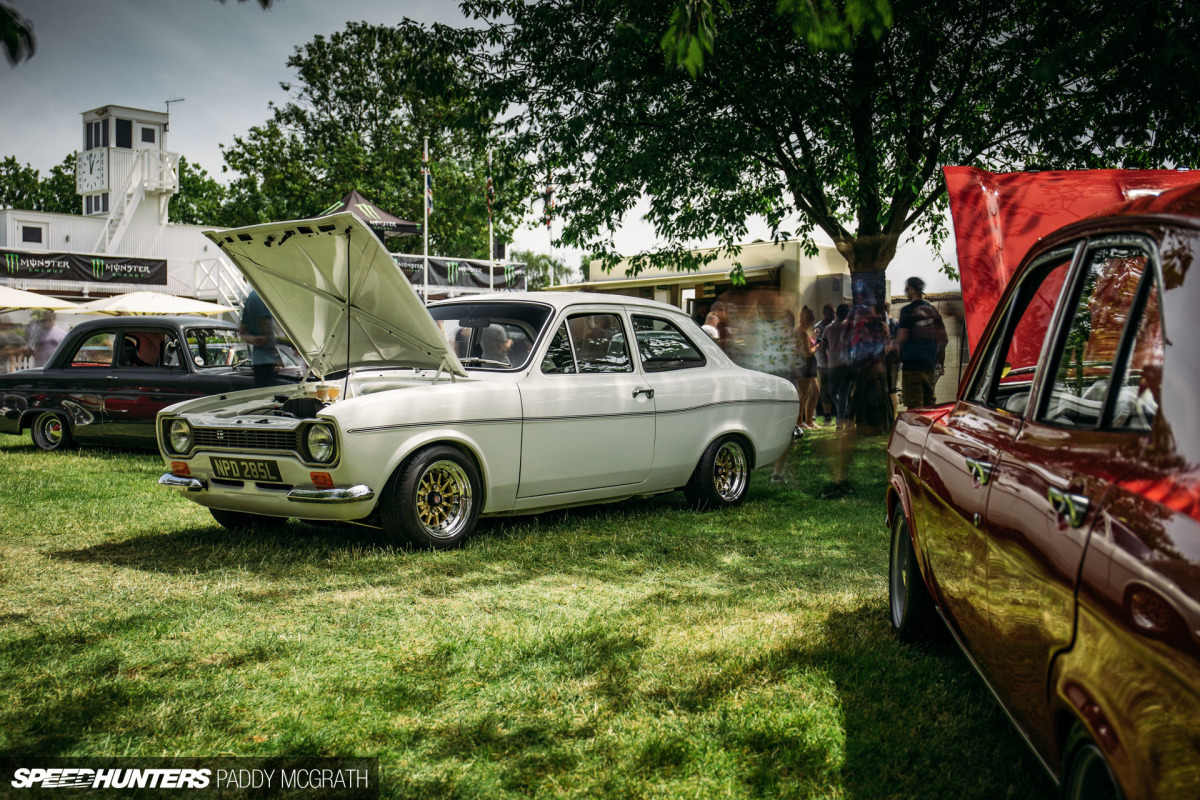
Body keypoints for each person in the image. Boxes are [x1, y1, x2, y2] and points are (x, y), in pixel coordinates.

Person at [894, 276, 947, 409]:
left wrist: (894, 351)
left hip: (912, 364)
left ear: (911, 290)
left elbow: (902, 337)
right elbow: (944, 338)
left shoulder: (907, 310)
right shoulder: (933, 310)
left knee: (914, 406)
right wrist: (936, 358)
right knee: (929, 405)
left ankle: (916, 430)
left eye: (907, 288)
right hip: (929, 364)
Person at [239, 290, 282, 387]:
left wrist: (254, 339)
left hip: (258, 361)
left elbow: (242, 331)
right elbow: (265, 324)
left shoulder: (252, 297)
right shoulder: (262, 295)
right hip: (267, 362)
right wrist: (276, 357)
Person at [812, 304, 835, 426]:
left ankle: (838, 414)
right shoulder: (819, 327)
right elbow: (820, 346)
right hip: (824, 364)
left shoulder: (835, 325)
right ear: (824, 313)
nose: (833, 316)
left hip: (835, 363)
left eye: (834, 313)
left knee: (835, 389)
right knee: (825, 389)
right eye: (830, 313)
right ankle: (827, 416)